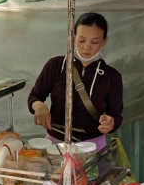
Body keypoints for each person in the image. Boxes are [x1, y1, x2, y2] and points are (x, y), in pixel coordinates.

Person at [28, 12, 123, 150]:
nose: (87, 47)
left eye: (95, 42)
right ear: (73, 38)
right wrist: (38, 106)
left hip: (92, 146)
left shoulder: (111, 76)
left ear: (104, 41)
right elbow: (35, 96)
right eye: (82, 40)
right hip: (56, 145)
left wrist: (111, 123)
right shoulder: (56, 65)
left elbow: (116, 115)